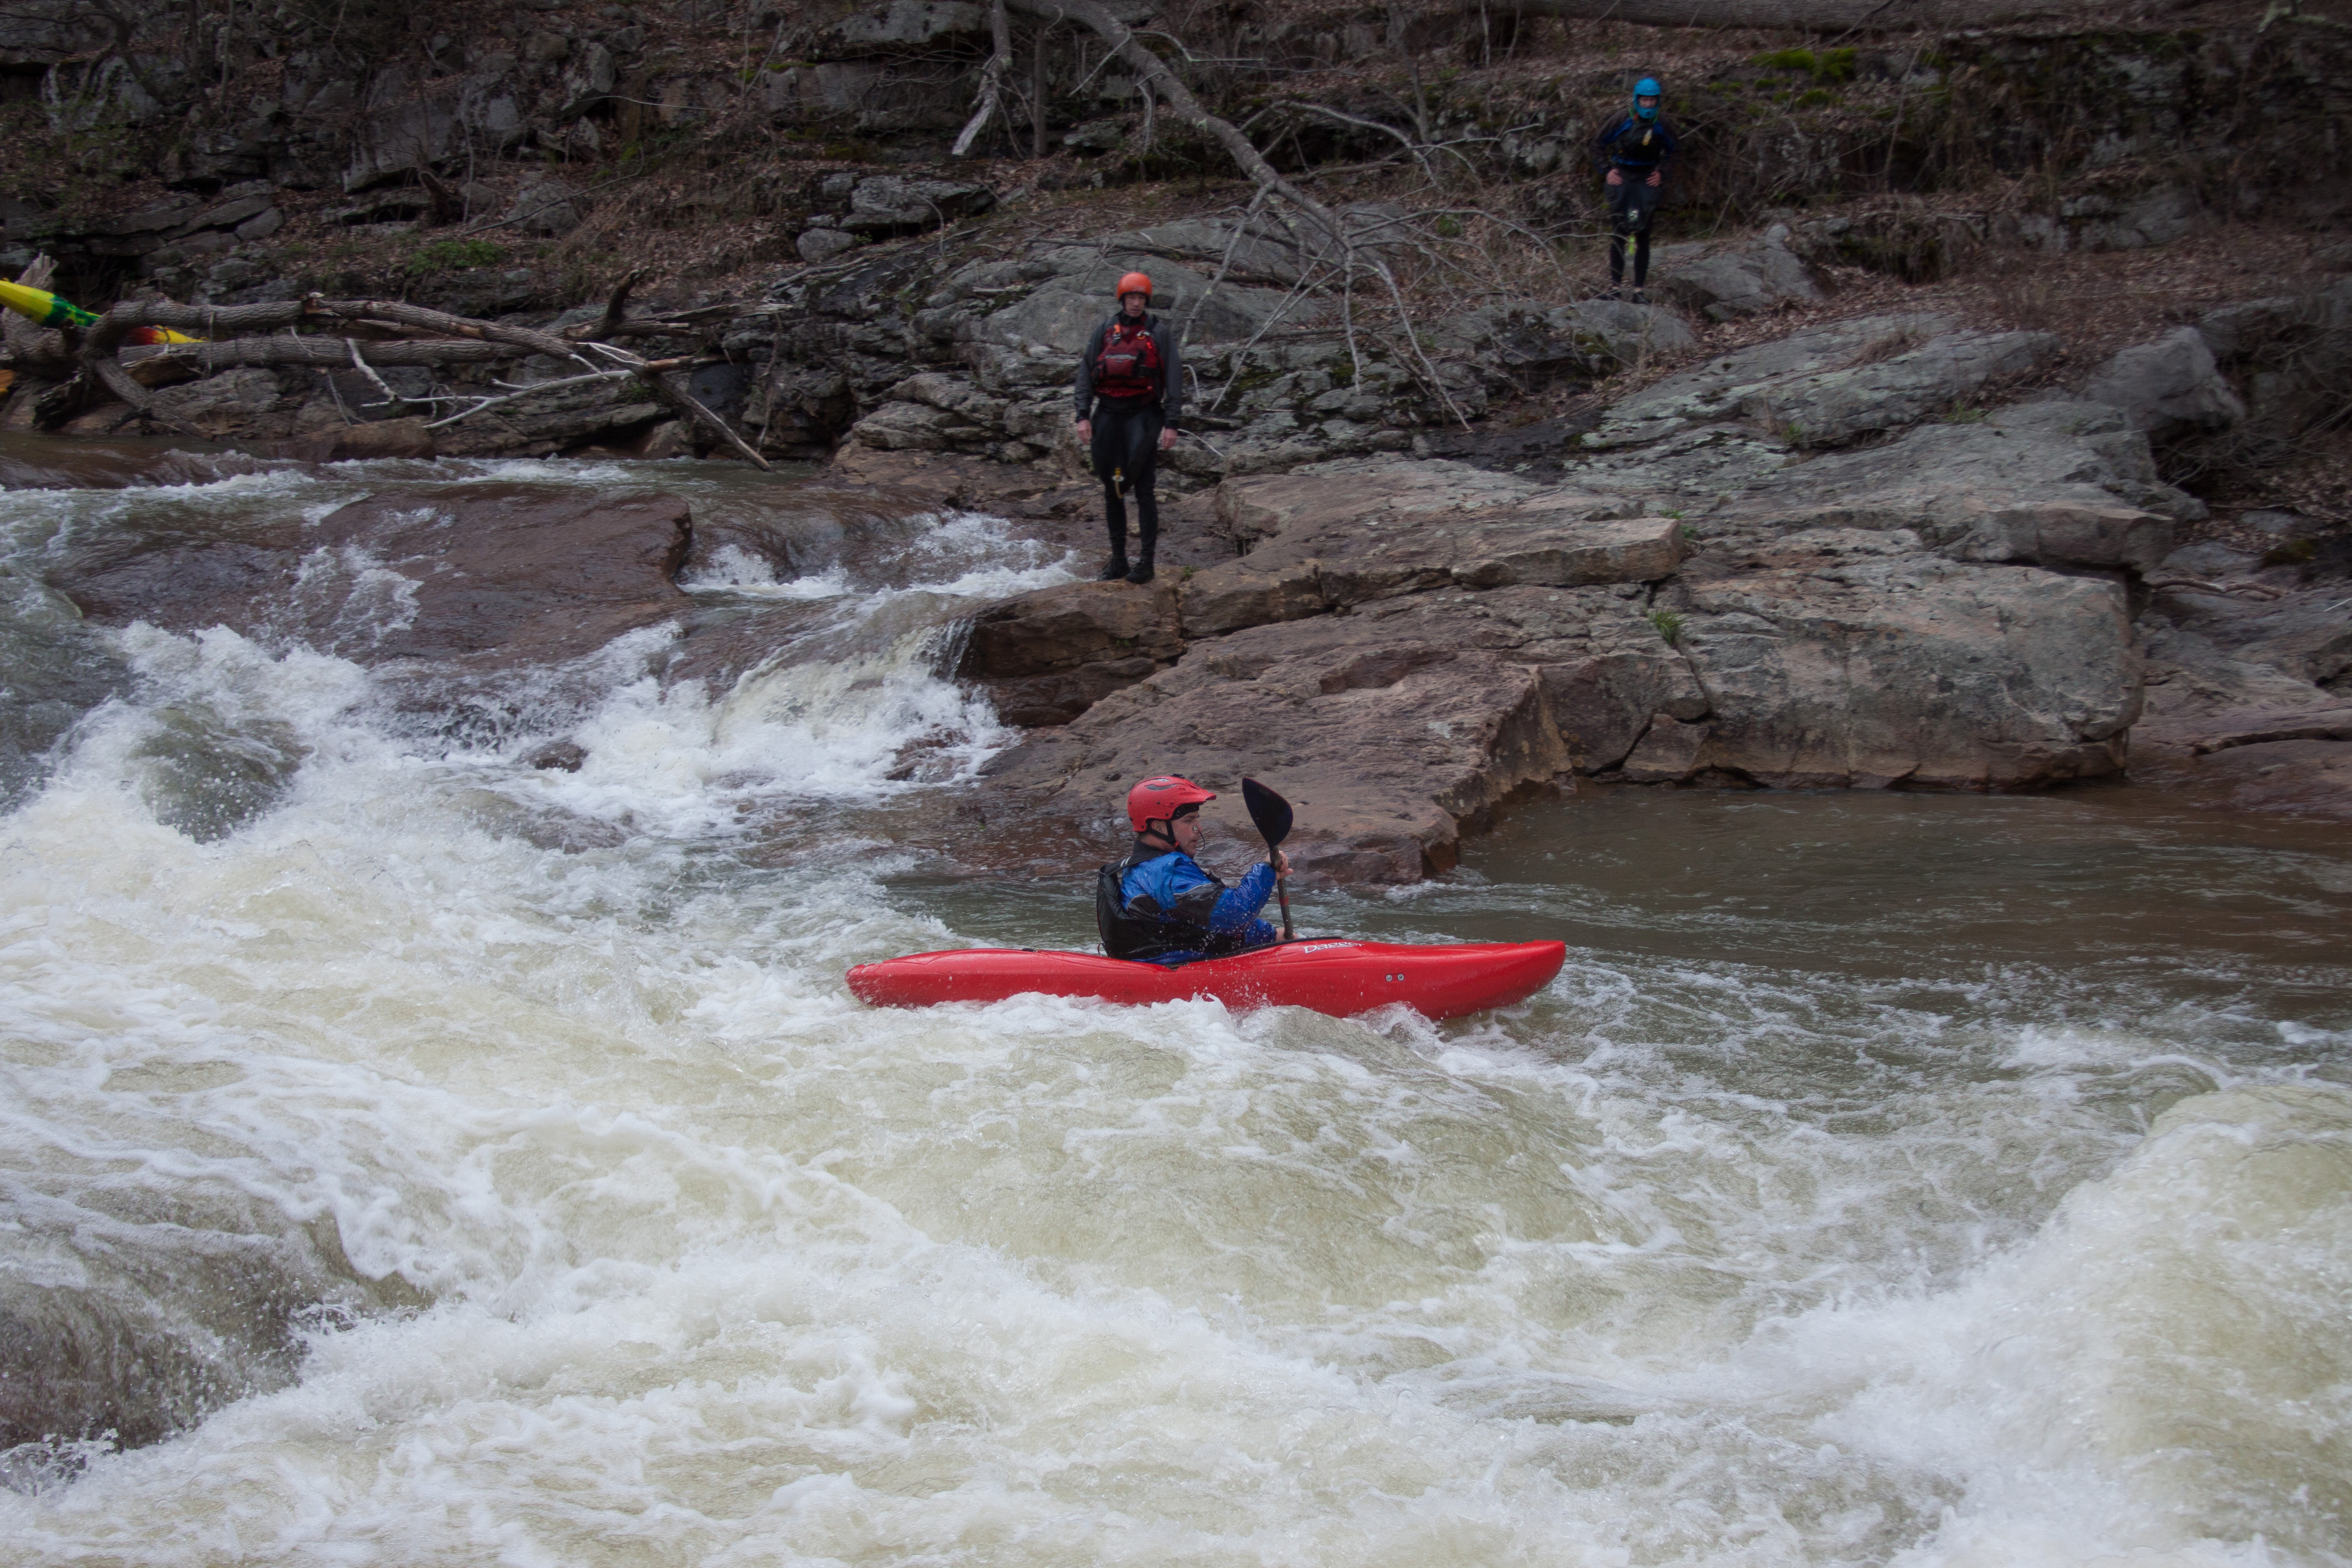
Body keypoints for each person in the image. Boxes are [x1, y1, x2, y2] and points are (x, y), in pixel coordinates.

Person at [1097, 776, 1288, 965]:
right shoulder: (1166, 873)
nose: (1199, 828)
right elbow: (1236, 914)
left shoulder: (1142, 868)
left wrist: (1270, 936)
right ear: (1159, 827)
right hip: (1175, 971)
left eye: (1197, 819)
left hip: (1175, 966)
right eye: (1189, 821)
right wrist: (1265, 871)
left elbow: (1209, 923)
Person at [1074, 272, 1183, 585]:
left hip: (1143, 416)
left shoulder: (1158, 333)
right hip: (1108, 415)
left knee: (1144, 490)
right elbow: (1086, 372)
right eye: (1131, 298)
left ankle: (1146, 563)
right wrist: (1082, 416)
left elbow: (1174, 379)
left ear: (1147, 301)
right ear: (1122, 300)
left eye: (1141, 298)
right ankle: (1119, 560)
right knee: (1113, 490)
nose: (1136, 303)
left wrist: (1172, 424)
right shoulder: (1106, 330)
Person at [1592, 76, 1679, 300]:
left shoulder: (1663, 124)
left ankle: (1639, 291)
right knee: (1619, 232)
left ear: (1658, 101)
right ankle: (1615, 288)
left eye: (1652, 100)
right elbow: (1597, 144)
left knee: (1643, 234)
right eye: (1644, 100)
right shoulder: (1622, 119)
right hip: (1622, 179)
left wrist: (1662, 173)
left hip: (1646, 180)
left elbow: (1674, 151)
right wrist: (1607, 170)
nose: (1648, 104)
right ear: (1637, 99)